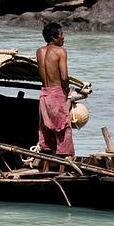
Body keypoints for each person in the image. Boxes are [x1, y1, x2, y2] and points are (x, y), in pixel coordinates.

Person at [36, 22, 75, 167]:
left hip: (44, 94)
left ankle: (45, 170)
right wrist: (66, 90)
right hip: (56, 93)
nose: (64, 37)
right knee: (63, 132)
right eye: (62, 34)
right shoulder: (60, 51)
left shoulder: (39, 51)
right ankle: (61, 172)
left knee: (46, 133)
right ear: (54, 37)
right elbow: (64, 77)